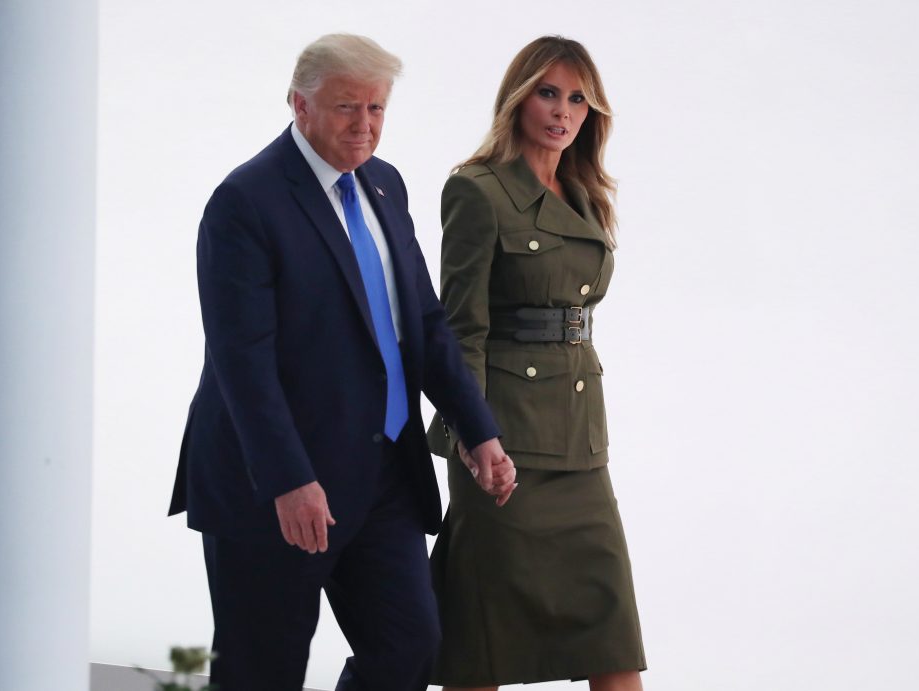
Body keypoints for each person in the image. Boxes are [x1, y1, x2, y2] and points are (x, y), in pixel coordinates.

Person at [168, 33, 516, 691]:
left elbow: (424, 323)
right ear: (299, 106)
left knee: (411, 644)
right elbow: (243, 362)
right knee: (259, 670)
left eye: (377, 109)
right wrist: (287, 478)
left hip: (382, 469)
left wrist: (479, 428)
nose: (364, 126)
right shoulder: (245, 203)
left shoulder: (384, 185)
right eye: (346, 108)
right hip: (275, 479)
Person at [426, 36, 646, 690]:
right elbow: (459, 328)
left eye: (578, 98)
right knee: (484, 637)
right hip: (504, 438)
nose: (563, 111)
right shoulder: (477, 191)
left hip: (579, 440)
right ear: (519, 98)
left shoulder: (583, 192)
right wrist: (473, 432)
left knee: (612, 636)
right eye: (548, 93)